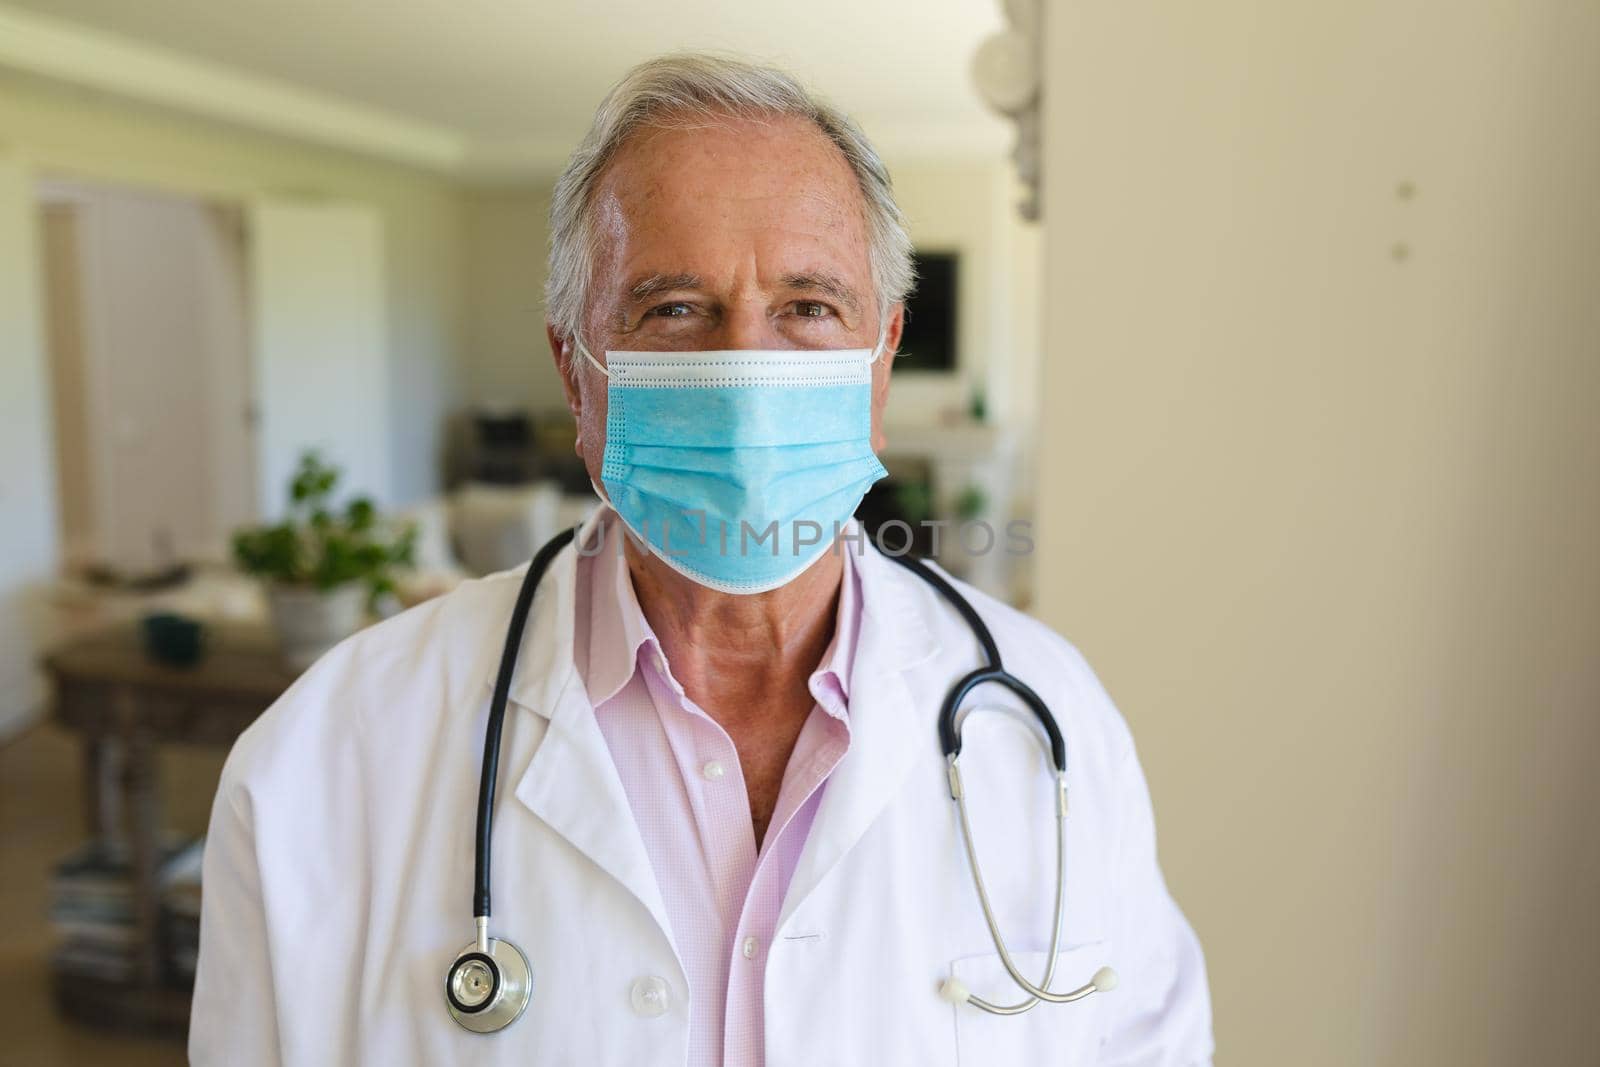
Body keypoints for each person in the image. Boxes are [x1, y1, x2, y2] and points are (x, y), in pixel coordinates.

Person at [189, 53, 1213, 1066]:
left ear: (882, 359)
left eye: (808, 308)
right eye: (674, 309)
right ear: (575, 369)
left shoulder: (1046, 719)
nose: (748, 372)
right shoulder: (325, 760)